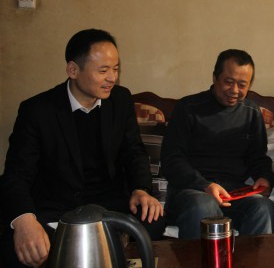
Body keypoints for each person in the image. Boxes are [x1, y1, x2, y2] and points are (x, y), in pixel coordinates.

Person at [0, 28, 164, 268]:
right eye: (103, 71)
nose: (112, 78)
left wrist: (140, 189)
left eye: (116, 69)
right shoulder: (37, 111)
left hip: (109, 205)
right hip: (56, 210)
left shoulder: (120, 100)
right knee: (16, 249)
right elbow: (16, 174)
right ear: (73, 70)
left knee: (153, 220)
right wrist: (24, 220)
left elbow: (134, 152)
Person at [160, 49, 274, 238]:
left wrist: (264, 177)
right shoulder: (188, 108)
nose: (235, 90)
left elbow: (258, 157)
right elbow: (171, 160)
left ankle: (253, 257)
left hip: (233, 195)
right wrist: (205, 185)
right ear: (215, 78)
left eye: (242, 85)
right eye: (228, 82)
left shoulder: (251, 113)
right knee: (204, 205)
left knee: (263, 208)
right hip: (192, 192)